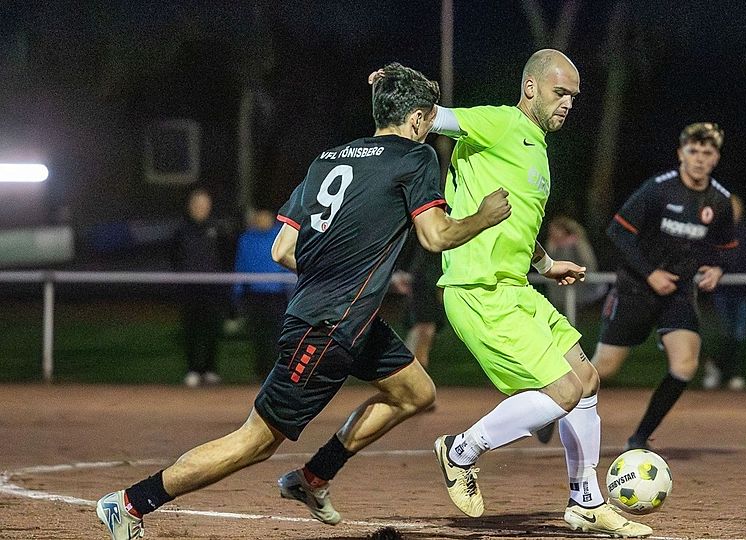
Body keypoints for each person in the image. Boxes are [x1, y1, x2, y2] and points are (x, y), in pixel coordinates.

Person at [95, 62, 511, 540]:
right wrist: (483, 217)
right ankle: (129, 503)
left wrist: (335, 276)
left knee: (416, 392)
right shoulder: (414, 159)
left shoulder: (328, 159)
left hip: (344, 319)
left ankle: (313, 478)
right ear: (417, 119)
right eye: (429, 116)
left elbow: (282, 250)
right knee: (255, 441)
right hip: (328, 327)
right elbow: (435, 237)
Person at [400, 49, 652, 537]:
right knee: (562, 391)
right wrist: (398, 85)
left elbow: (520, 225)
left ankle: (585, 501)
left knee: (587, 378)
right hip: (478, 290)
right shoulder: (497, 123)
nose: (568, 104)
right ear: (531, 87)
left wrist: (547, 264)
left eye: (574, 98)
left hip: (514, 288)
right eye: (560, 93)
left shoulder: (536, 147)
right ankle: (460, 451)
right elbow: (432, 118)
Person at [591, 122, 737, 451]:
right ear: (681, 154)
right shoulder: (658, 189)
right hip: (636, 288)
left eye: (707, 153)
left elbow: (726, 249)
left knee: (685, 365)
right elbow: (617, 231)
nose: (700, 158)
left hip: (678, 293)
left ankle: (639, 437)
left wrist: (717, 268)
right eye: (693, 151)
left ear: (716, 158)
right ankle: (548, 410)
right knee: (604, 369)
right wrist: (650, 272)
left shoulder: (720, 201)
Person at [701, 194, 746, 391]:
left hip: (744, 292)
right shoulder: (713, 233)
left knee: (739, 334)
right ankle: (721, 370)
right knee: (725, 333)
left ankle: (727, 371)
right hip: (720, 292)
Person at [172, 188, 232, 387]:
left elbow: (225, 257)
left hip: (212, 289)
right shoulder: (181, 230)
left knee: (212, 329)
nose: (201, 209)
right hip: (189, 289)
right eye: (197, 205)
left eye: (204, 205)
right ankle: (193, 370)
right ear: (190, 207)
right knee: (191, 330)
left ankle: (210, 369)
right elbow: (174, 257)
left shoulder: (217, 229)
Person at [234, 208, 290, 381]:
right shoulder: (246, 239)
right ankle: (261, 372)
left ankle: (277, 373)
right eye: (259, 215)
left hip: (276, 296)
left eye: (265, 215)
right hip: (254, 296)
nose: (262, 219)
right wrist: (237, 292)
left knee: (277, 336)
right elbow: (241, 265)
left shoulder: (281, 235)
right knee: (258, 336)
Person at [544, 216, 607, 311]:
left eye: (555, 230)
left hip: (581, 286)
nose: (552, 233)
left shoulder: (578, 243)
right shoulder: (552, 245)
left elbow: (589, 264)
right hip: (560, 290)